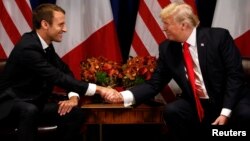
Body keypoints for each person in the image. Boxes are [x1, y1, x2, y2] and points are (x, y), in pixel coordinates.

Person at [105, 2, 250, 140]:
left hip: (230, 100)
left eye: (167, 24)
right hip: (198, 103)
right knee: (173, 110)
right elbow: (154, 84)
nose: (163, 28)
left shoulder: (218, 37)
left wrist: (225, 112)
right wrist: (123, 96)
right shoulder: (167, 49)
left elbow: (235, 76)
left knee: (245, 115)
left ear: (184, 25)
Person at [0, 3, 119, 141]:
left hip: (35, 103)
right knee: (29, 110)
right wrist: (99, 89)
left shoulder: (45, 45)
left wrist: (73, 97)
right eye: (61, 25)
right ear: (45, 24)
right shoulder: (28, 47)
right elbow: (57, 77)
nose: (65, 29)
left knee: (75, 113)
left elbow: (65, 71)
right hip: (9, 105)